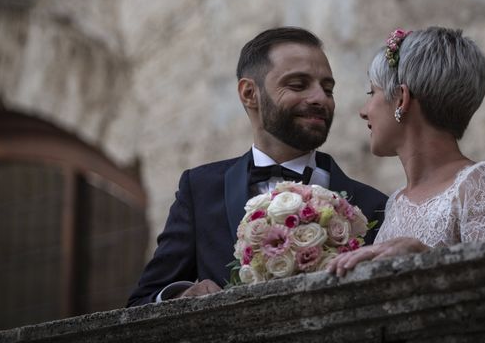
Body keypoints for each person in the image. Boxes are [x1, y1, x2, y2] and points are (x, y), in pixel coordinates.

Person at [127, 27, 388, 306]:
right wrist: (181, 295)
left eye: (328, 89)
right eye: (298, 85)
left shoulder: (373, 205)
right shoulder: (199, 189)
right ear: (249, 93)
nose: (320, 99)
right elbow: (142, 301)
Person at [327, 27, 485, 277]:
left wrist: (425, 257)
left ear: (401, 99)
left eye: (372, 92)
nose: (364, 110)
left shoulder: (483, 181)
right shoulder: (395, 203)